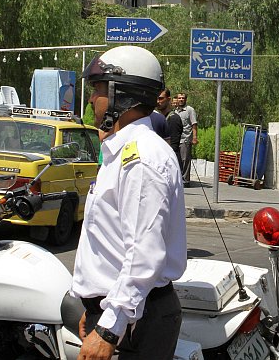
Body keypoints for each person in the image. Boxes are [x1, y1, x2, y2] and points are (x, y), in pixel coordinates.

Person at [72, 45, 186, 360]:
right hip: (124, 313)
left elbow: (143, 256)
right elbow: (112, 243)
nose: (92, 99)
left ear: (122, 94)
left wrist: (110, 327)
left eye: (98, 89)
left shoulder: (141, 159)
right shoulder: (122, 152)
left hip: (135, 323)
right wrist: (95, 308)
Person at [157, 88, 183, 171]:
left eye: (161, 98)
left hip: (170, 165)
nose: (158, 101)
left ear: (169, 100)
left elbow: (173, 146)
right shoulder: (161, 118)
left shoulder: (173, 119)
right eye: (156, 98)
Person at [175, 92, 198, 187]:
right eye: (179, 98)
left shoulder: (190, 110)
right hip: (176, 139)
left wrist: (195, 137)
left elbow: (194, 124)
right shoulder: (175, 111)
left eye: (183, 98)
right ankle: (178, 180)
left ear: (185, 99)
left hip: (186, 139)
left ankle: (185, 181)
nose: (181, 99)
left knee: (185, 160)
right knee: (177, 160)